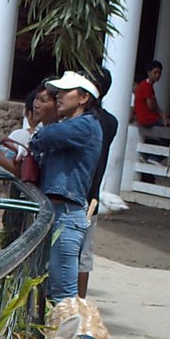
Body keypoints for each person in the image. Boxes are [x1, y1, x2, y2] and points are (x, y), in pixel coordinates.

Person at [29, 71, 103, 302]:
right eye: (57, 93)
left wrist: (40, 135)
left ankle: (79, 337)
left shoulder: (85, 126)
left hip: (66, 215)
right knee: (55, 291)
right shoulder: (76, 126)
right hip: (60, 214)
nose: (59, 97)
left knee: (63, 294)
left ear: (84, 98)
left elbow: (44, 136)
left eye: (65, 92)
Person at [78, 67, 119, 298]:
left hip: (77, 196)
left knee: (75, 253)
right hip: (91, 196)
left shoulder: (85, 122)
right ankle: (79, 303)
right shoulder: (110, 122)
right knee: (83, 255)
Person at [133, 60, 166, 128]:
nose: (157, 75)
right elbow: (151, 105)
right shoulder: (146, 86)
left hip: (144, 118)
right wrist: (161, 114)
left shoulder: (146, 85)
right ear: (149, 72)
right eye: (155, 72)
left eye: (159, 73)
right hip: (146, 119)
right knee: (167, 127)